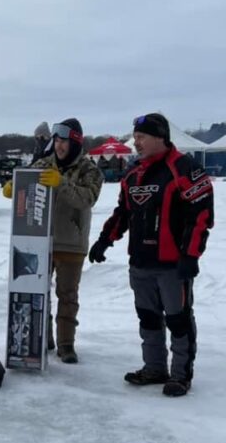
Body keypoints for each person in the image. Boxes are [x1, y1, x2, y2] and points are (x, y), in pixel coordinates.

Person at [88, 113, 214, 397]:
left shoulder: (184, 168)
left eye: (142, 137)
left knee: (178, 319)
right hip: (141, 263)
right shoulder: (133, 174)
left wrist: (191, 255)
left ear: (160, 137)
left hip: (172, 264)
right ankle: (155, 368)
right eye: (136, 137)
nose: (137, 142)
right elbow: (123, 213)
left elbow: (201, 216)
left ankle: (181, 375)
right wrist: (104, 240)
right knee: (148, 318)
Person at [5, 118, 104, 363]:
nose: (59, 146)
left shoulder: (89, 169)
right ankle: (43, 338)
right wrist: (13, 186)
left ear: (75, 143)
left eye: (64, 142)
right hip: (40, 240)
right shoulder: (43, 164)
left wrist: (61, 183)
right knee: (39, 291)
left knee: (67, 295)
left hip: (72, 241)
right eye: (57, 141)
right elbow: (25, 184)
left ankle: (66, 344)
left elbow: (86, 198)